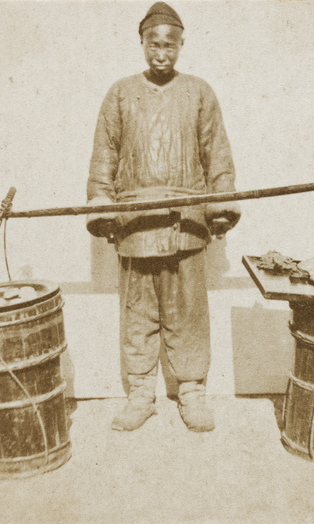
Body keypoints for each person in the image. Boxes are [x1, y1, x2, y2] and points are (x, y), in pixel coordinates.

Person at [86, 2, 240, 432]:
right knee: (138, 313)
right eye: (153, 44)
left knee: (188, 312)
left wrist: (221, 207)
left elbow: (218, 155)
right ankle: (140, 394)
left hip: (186, 222)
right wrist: (101, 204)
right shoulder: (119, 93)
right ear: (141, 43)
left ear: (181, 46)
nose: (161, 54)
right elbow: (104, 156)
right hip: (135, 225)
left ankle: (191, 392)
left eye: (169, 45)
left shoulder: (199, 92)